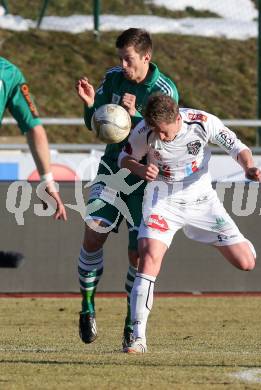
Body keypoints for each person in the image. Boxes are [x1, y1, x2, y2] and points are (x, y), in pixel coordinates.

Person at [118, 95, 261, 353]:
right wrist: (140, 170)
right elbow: (125, 158)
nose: (160, 137)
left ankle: (241, 243)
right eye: (156, 132)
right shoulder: (144, 130)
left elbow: (237, 148)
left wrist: (249, 167)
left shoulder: (203, 122)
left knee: (246, 263)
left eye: (164, 132)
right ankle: (138, 337)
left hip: (202, 200)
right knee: (148, 256)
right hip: (162, 200)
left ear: (177, 119)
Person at [75, 28, 179, 347]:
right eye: (120, 57)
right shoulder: (113, 77)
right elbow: (101, 125)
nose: (123, 64)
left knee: (137, 255)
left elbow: (169, 136)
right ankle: (87, 307)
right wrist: (91, 106)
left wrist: (137, 118)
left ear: (146, 57)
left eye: (129, 59)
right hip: (112, 170)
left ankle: (130, 323)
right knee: (93, 235)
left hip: (145, 181)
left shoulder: (164, 90)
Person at [0, 57, 67, 225]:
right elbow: (34, 128)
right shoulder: (9, 73)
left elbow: (34, 129)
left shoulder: (10, 74)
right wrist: (47, 181)